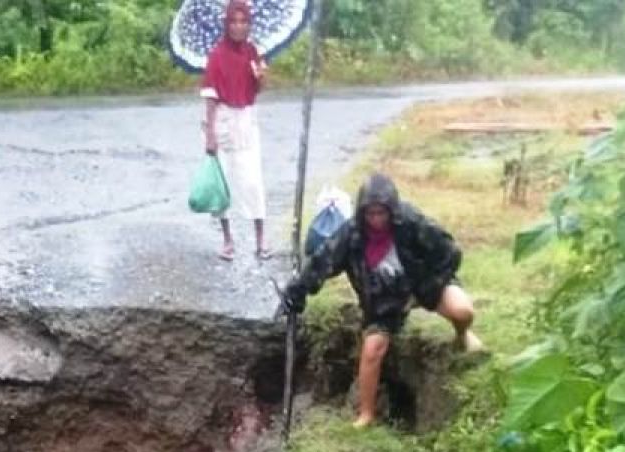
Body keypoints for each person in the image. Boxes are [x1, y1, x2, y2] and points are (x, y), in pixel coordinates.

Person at [282, 173, 483, 428]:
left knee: (463, 311)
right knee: (371, 351)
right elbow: (322, 262)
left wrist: (431, 284)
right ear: (362, 213)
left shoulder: (411, 222)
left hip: (422, 286)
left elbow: (449, 252)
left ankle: (462, 335)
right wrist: (297, 291)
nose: (376, 220)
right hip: (383, 303)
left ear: (392, 211)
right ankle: (366, 414)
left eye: (382, 213)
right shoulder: (352, 234)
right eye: (370, 214)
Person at [201, 0, 270, 262]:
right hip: (223, 121)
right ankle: (228, 240)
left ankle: (260, 239)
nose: (238, 27)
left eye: (243, 22)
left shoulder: (253, 52)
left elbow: (256, 90)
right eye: (234, 21)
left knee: (252, 180)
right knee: (224, 183)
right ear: (226, 24)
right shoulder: (217, 54)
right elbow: (210, 96)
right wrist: (210, 135)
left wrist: (261, 77)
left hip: (247, 119)